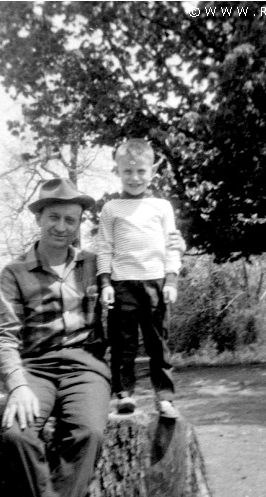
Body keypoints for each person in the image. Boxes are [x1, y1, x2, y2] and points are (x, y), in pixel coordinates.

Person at [0, 178, 111, 497]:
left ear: (80, 223)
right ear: (39, 218)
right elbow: (3, 335)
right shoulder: (15, 272)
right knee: (19, 435)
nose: (62, 226)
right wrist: (18, 385)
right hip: (35, 368)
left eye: (71, 220)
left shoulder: (95, 265)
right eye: (54, 217)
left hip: (84, 366)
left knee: (88, 432)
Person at [97, 138, 182, 419]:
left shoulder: (162, 207)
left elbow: (172, 245)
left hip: (155, 283)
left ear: (152, 173)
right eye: (128, 172)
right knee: (123, 345)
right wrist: (106, 283)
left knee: (159, 343)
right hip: (123, 285)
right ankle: (124, 395)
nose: (135, 178)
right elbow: (105, 247)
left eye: (141, 172)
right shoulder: (111, 209)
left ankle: (165, 397)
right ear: (117, 172)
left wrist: (171, 280)